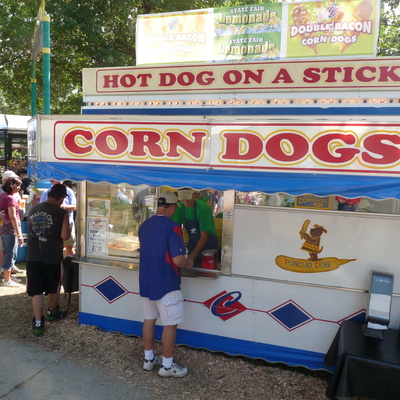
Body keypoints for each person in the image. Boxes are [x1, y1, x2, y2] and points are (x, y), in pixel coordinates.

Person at [138, 191, 193, 378]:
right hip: (166, 282)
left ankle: (148, 359)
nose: (175, 209)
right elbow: (178, 259)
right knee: (170, 324)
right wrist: (189, 262)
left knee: (149, 319)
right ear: (170, 206)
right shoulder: (173, 227)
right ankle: (167, 367)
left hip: (146, 281)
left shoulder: (144, 225)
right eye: (175, 206)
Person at [26, 183, 71, 335]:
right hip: (52, 256)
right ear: (62, 198)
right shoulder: (61, 213)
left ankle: (38, 322)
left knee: (36, 290)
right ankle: (52, 312)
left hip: (33, 256)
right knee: (54, 286)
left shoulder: (33, 209)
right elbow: (65, 236)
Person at [173, 188, 218, 265]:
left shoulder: (203, 209)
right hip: (193, 243)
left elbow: (204, 235)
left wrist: (191, 257)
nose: (185, 202)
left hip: (208, 245)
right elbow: (175, 231)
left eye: (188, 199)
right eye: (183, 199)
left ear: (194, 195)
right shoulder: (180, 207)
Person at [40, 179, 76, 256]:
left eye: (60, 178)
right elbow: (42, 207)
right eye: (55, 179)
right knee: (53, 246)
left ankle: (71, 266)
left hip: (68, 222)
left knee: (69, 246)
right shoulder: (46, 193)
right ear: (51, 181)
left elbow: (75, 207)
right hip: (51, 224)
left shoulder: (69, 191)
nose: (58, 180)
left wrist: (63, 207)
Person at [0, 177, 24, 287]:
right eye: (17, 185)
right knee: (10, 254)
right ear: (11, 185)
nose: (19, 188)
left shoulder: (2, 196)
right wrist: (19, 234)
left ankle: (7, 277)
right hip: (10, 230)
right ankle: (6, 280)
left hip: (3, 229)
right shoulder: (10, 198)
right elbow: (13, 217)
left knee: (7, 253)